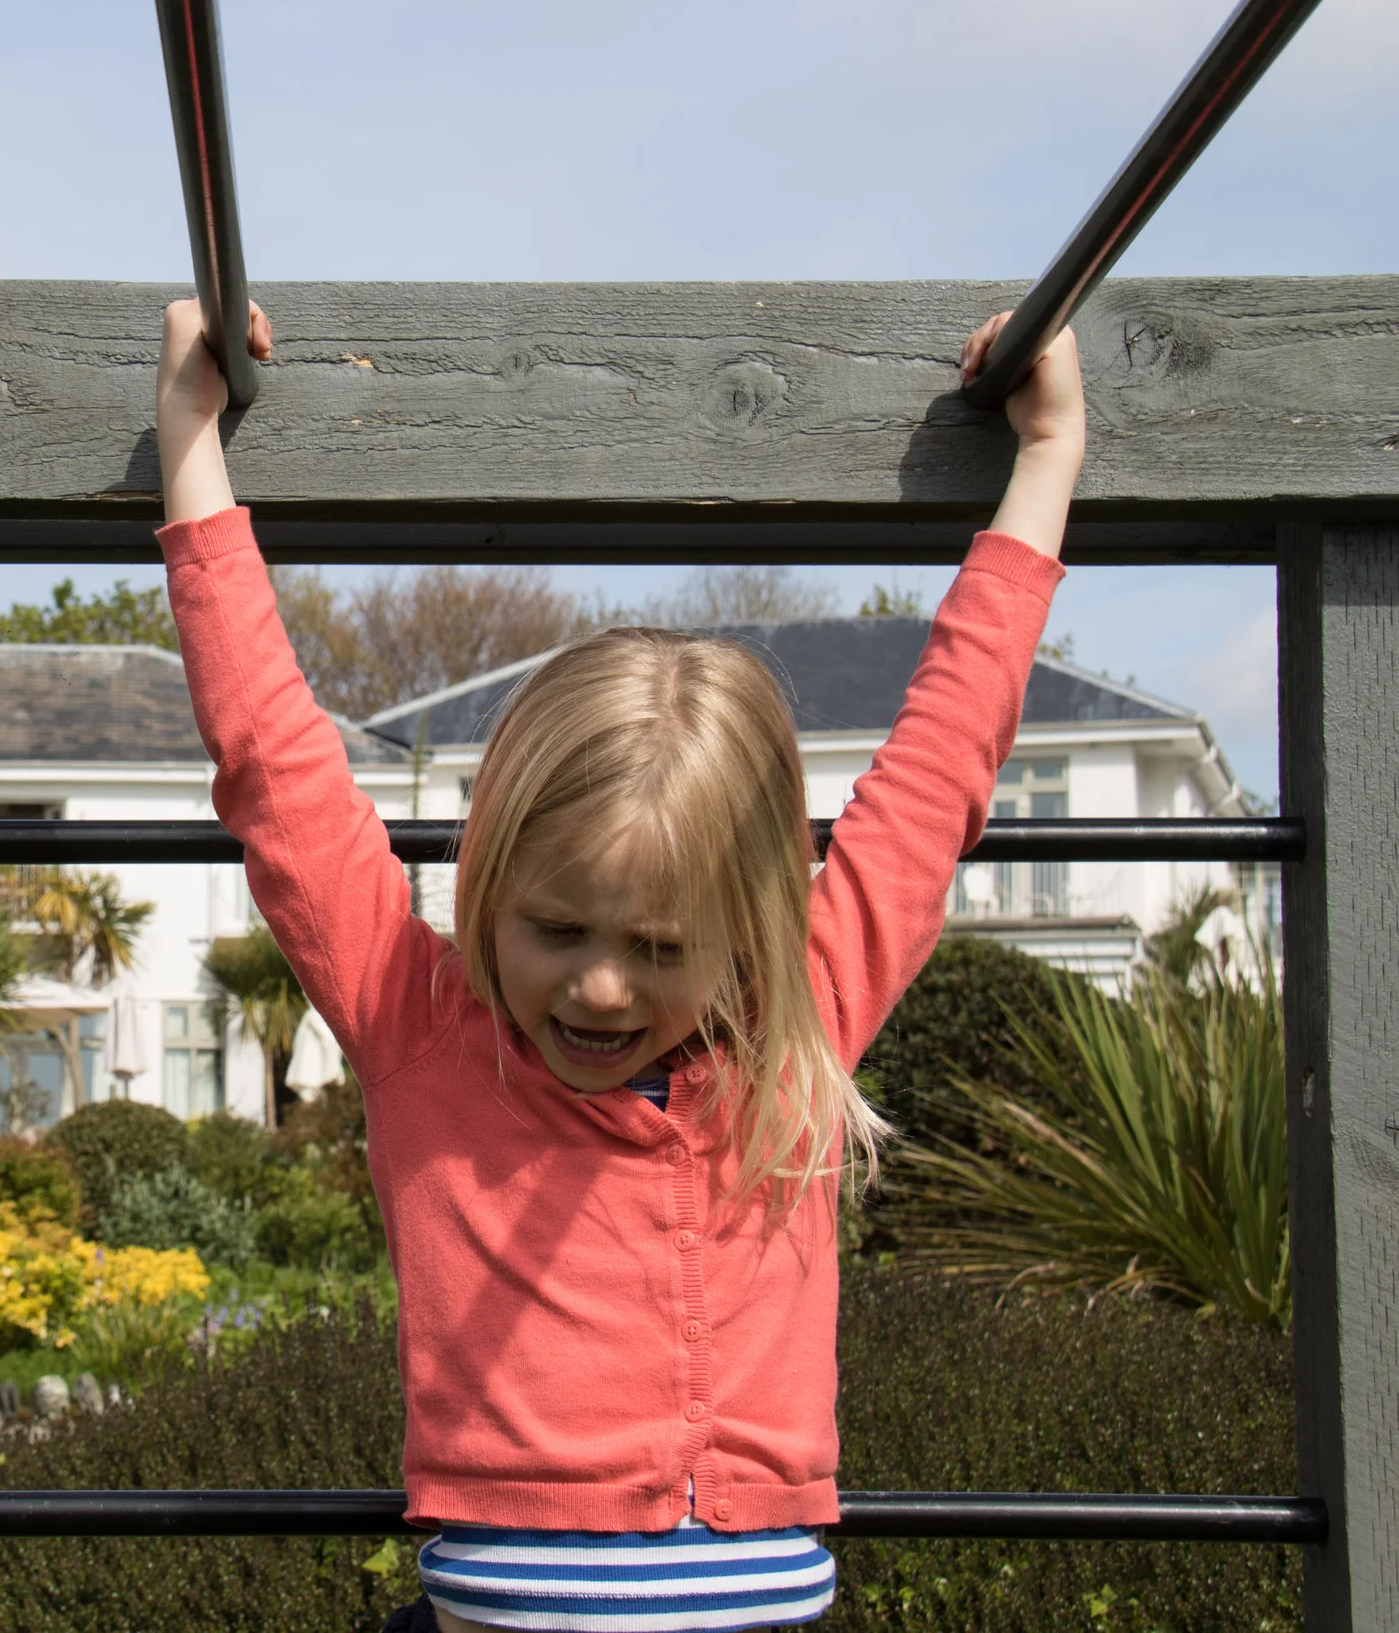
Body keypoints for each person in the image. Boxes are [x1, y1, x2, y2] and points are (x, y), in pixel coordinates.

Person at [153, 297, 1084, 1632]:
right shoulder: (424, 1024)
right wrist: (192, 439)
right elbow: (275, 766)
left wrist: (1047, 459)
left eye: (659, 950)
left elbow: (945, 768)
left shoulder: (798, 1019)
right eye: (556, 929)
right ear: (485, 890)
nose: (599, 988)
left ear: (748, 933)